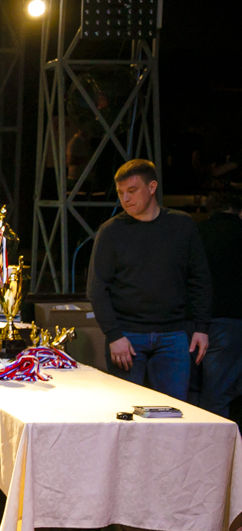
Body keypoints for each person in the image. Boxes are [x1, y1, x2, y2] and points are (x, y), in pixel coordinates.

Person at [86, 159, 211, 401]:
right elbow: (96, 288)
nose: (125, 198)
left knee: (174, 411)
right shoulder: (111, 231)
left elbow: (200, 278)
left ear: (152, 187)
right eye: (121, 193)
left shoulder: (182, 224)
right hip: (127, 334)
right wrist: (114, 335)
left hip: (173, 334)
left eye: (132, 191)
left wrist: (202, 328)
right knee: (125, 409)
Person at [196, 193, 242, 418]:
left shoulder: (197, 232)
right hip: (232, 320)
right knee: (220, 392)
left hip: (197, 322)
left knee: (201, 391)